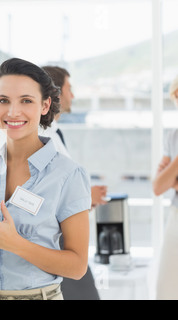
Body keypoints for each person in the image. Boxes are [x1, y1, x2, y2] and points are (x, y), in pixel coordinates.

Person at [0, 58, 91, 300]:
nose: (13, 112)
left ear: (45, 105)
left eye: (26, 101)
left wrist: (14, 243)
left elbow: (77, 266)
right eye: (3, 101)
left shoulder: (68, 175)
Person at [41, 65, 105, 300]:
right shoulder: (42, 139)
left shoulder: (54, 134)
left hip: (66, 245)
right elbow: (47, 195)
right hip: (58, 248)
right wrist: (87, 197)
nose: (73, 96)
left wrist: (86, 196)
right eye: (70, 89)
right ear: (56, 93)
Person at [152, 74, 178, 300]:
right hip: (176, 215)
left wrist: (172, 173)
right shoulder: (174, 136)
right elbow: (159, 186)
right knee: (167, 287)